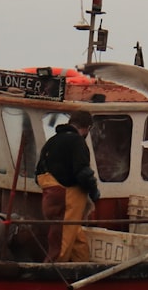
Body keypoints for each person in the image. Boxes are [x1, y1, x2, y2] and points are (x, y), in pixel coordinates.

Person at [35, 110, 101, 262]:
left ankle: (82, 267)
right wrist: (94, 192)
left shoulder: (52, 141)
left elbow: (37, 173)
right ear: (88, 128)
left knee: (77, 238)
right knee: (62, 241)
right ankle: (52, 273)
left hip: (49, 195)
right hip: (67, 196)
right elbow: (83, 173)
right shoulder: (77, 142)